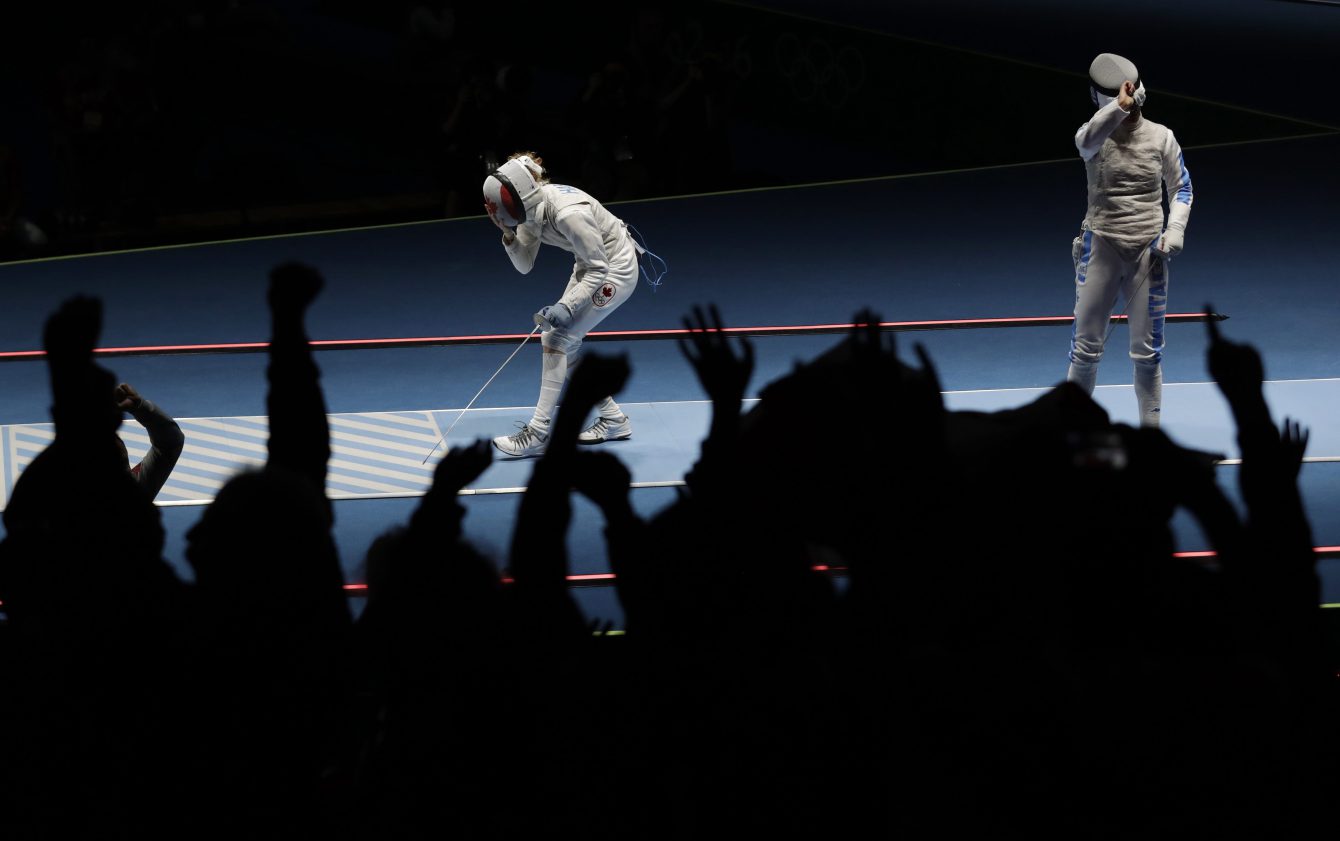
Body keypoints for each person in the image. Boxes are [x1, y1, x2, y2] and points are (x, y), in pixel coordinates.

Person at [483, 151, 639, 457]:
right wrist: (508, 234)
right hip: (590, 266)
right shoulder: (531, 209)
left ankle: (539, 432)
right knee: (561, 342)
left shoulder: (568, 213)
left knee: (556, 339)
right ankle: (614, 419)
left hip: (615, 269)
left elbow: (599, 268)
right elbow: (525, 265)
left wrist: (567, 307)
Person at [1066, 53, 1193, 427]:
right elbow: (1086, 138)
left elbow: (1181, 187)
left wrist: (1176, 229)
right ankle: (1073, 431)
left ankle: (1150, 438)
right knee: (1085, 349)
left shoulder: (1162, 137)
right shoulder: (1093, 138)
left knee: (1148, 353)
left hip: (1148, 254)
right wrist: (1117, 109)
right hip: (1100, 247)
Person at [113, 382, 185, 499]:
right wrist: (140, 407)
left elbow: (170, 444)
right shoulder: (132, 494)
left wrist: (140, 407)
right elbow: (170, 444)